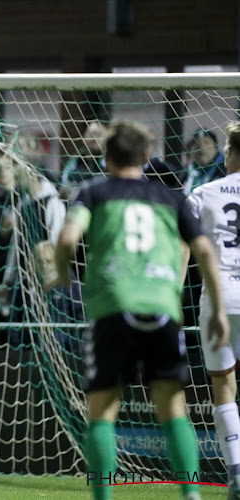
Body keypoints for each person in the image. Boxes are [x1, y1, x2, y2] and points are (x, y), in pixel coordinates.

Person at [53, 121, 228, 500]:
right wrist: (216, 312)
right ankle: (191, 495)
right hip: (162, 307)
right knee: (173, 408)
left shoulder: (93, 192)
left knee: (101, 411)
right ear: (146, 157)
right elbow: (205, 252)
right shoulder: (172, 198)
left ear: (106, 156)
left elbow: (67, 237)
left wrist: (65, 273)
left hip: (113, 306)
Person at [186, 121, 240, 497]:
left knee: (224, 388)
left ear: (231, 153)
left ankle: (237, 469)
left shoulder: (201, 194)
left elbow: (182, 255)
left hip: (219, 299)